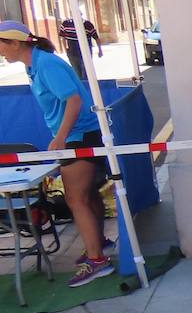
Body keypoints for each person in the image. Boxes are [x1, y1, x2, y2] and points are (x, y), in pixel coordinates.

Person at [0, 21, 112, 288]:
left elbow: (73, 100)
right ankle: (98, 244)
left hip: (78, 136)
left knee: (75, 198)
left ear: (15, 43)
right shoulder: (35, 64)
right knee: (87, 195)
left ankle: (97, 260)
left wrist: (61, 136)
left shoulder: (46, 64)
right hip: (80, 134)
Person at [58, 17, 100, 82]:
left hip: (85, 53)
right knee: (77, 73)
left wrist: (100, 50)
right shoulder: (66, 24)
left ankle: (89, 88)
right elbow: (62, 37)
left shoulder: (87, 24)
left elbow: (96, 37)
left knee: (86, 73)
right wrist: (65, 49)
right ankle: (81, 88)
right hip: (72, 53)